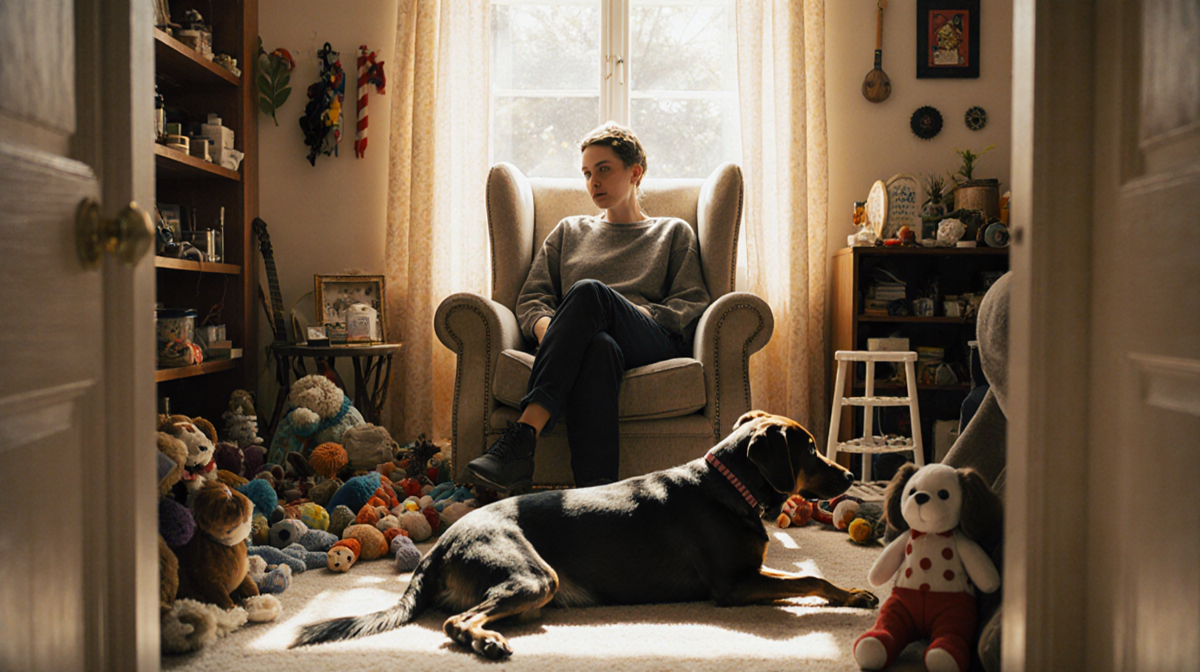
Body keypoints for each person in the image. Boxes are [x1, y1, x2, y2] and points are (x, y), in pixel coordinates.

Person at [466, 122, 711, 491]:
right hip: (593, 343)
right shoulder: (570, 231)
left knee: (589, 292)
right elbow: (533, 297)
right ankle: (597, 496)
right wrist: (560, 333)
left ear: (636, 172)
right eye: (586, 173)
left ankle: (522, 437)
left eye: (604, 169)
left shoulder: (672, 232)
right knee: (598, 346)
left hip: (650, 340)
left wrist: (630, 314)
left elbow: (690, 302)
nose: (593, 181)